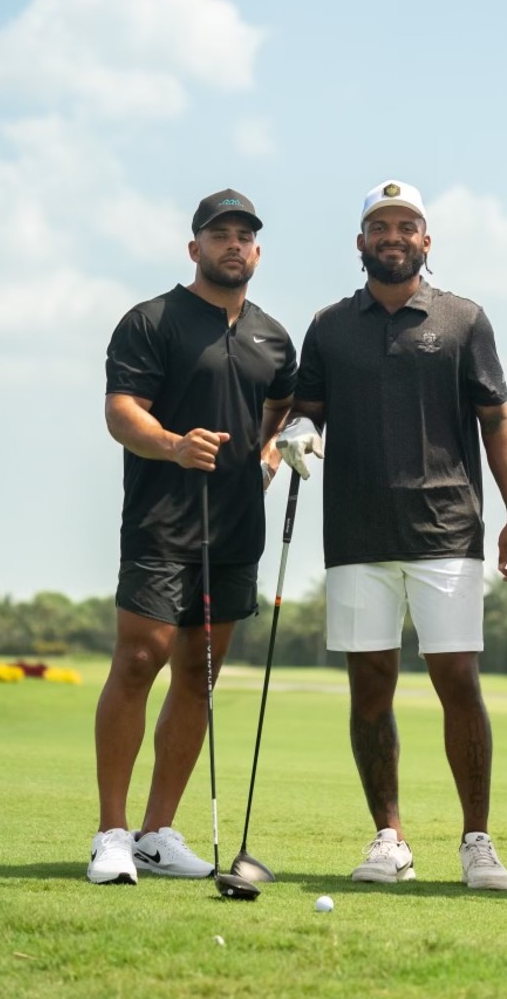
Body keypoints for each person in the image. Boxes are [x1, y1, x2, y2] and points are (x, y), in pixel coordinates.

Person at [276, 179, 507, 890]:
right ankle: (388, 838)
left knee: (458, 680)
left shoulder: (463, 318)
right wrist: (298, 434)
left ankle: (476, 840)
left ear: (426, 241)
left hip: (447, 527)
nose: (393, 236)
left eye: (406, 226)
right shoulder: (328, 326)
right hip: (357, 532)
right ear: (360, 242)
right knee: (369, 689)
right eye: (379, 226)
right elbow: (308, 412)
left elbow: (498, 420)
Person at [89, 188, 297, 885]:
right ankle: (112, 833)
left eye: (244, 236)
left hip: (237, 531)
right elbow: (122, 413)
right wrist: (176, 445)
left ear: (258, 252)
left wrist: (272, 454)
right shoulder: (152, 321)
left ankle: (156, 831)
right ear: (195, 247)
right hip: (160, 524)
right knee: (140, 661)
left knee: (198, 676)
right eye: (219, 234)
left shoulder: (273, 336)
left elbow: (284, 405)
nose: (232, 244)